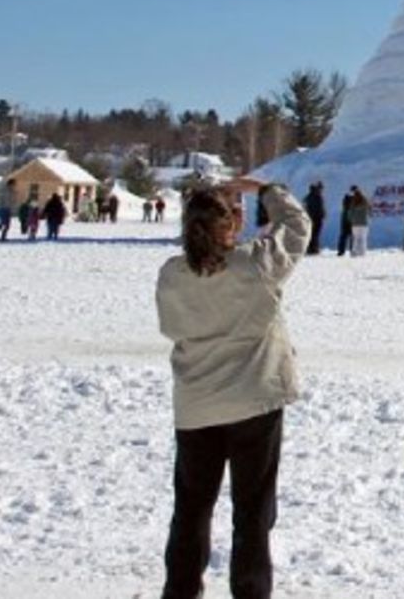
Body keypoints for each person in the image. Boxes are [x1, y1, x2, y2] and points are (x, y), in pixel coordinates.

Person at [155, 177, 310, 599]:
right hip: (253, 404)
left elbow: (170, 326)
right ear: (230, 226)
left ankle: (181, 592)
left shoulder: (171, 274)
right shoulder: (254, 265)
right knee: (253, 514)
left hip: (196, 405)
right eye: (235, 213)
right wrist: (264, 189)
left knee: (190, 509)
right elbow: (297, 224)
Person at [344, 187, 370, 257]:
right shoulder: (365, 201)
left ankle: (354, 251)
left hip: (355, 224)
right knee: (363, 239)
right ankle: (362, 252)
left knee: (356, 238)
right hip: (364, 223)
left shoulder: (353, 202)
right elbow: (370, 210)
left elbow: (350, 213)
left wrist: (351, 220)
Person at [303, 181, 326, 256]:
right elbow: (319, 208)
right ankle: (314, 249)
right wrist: (322, 215)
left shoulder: (308, 197)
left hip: (310, 218)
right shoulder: (317, 197)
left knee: (312, 234)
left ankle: (310, 248)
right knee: (315, 234)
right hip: (316, 218)